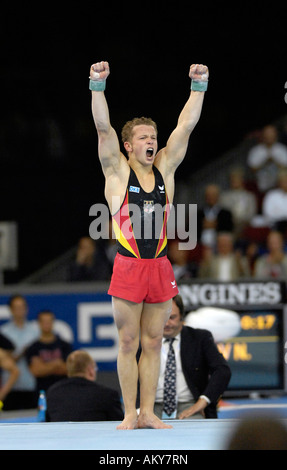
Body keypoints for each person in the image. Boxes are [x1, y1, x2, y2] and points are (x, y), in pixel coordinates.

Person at [90, 60, 208, 429]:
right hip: (128, 265)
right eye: (143, 137)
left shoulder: (166, 170)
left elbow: (186, 126)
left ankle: (148, 412)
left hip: (159, 265)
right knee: (128, 344)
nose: (151, 141)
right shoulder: (116, 170)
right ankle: (129, 414)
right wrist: (97, 86)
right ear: (128, 145)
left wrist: (198, 87)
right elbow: (101, 127)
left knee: (154, 341)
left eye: (153, 137)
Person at [153, 295, 231, 419]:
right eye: (162, 318)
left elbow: (222, 370)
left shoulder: (200, 339)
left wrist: (203, 401)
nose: (167, 323)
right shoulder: (143, 342)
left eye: (172, 317)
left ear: (182, 317)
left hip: (190, 405)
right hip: (151, 407)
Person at [46, 350, 124, 422]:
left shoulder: (52, 393)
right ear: (90, 370)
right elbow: (120, 425)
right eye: (95, 368)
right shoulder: (107, 395)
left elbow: (48, 423)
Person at [0, 295, 39, 410]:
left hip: (30, 384)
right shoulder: (3, 332)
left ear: (26, 308)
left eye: (22, 307)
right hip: (10, 387)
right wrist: (21, 353)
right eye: (16, 307)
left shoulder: (35, 331)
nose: (19, 311)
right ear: (11, 310)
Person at [25, 310, 73, 393]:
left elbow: (69, 369)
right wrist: (56, 363)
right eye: (44, 321)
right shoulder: (33, 348)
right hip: (42, 392)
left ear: (53, 323)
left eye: (49, 321)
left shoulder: (64, 345)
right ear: (39, 323)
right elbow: (36, 371)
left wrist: (45, 366)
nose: (46, 324)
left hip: (63, 390)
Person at [247, 124, 287, 193]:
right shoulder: (256, 151)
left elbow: (285, 167)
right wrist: (265, 162)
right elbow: (252, 169)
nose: (269, 136)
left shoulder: (282, 149)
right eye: (267, 134)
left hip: (280, 187)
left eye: (271, 134)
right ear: (263, 135)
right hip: (262, 187)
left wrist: (274, 161)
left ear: (275, 135)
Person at [220, 167, 257, 237]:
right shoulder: (224, 197)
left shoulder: (250, 196)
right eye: (233, 179)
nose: (235, 181)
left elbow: (251, 214)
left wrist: (242, 221)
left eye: (237, 179)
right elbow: (224, 213)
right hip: (231, 225)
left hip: (245, 225)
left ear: (242, 180)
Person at [197, 184, 233, 249]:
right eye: (208, 195)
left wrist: (215, 224)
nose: (211, 197)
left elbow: (228, 230)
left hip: (219, 247)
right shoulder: (198, 214)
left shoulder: (226, 213)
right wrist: (202, 225)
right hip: (200, 246)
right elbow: (191, 232)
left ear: (218, 196)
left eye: (213, 195)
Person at [262, 169, 287, 233]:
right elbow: (268, 213)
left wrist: (279, 212)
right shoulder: (271, 195)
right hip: (276, 225)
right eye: (283, 181)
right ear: (279, 182)